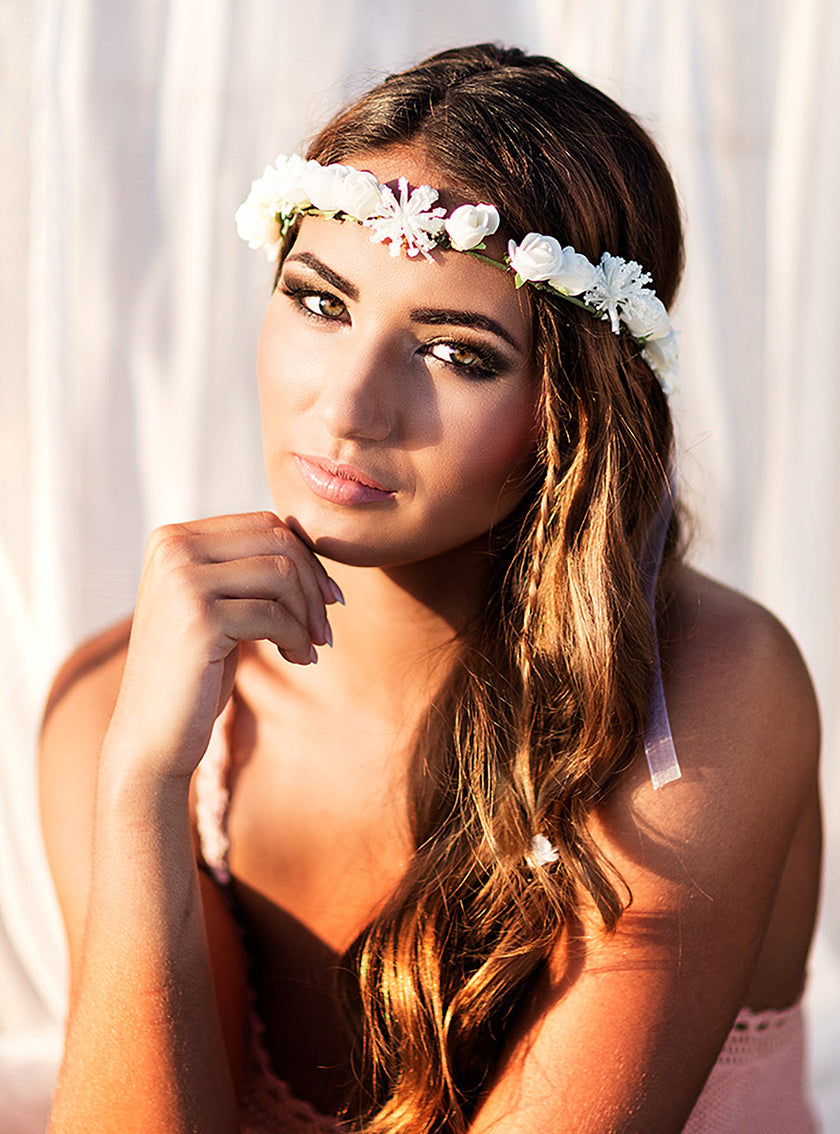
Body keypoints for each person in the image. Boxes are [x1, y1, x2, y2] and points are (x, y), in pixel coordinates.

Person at [38, 43, 821, 1134]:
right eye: (320, 302)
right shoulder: (128, 704)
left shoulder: (705, 703)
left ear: (572, 412)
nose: (351, 408)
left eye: (457, 354)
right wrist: (137, 794)